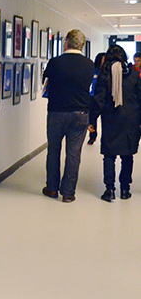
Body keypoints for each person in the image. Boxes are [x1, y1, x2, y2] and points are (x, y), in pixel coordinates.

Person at [42, 29, 94, 202]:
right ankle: (68, 193)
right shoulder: (89, 64)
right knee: (74, 154)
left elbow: (45, 80)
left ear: (66, 42)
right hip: (80, 114)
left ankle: (51, 188)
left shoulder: (55, 62)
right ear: (82, 45)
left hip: (57, 112)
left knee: (54, 150)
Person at [88, 46, 141, 201]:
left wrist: (92, 120)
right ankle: (125, 190)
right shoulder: (133, 74)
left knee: (109, 155)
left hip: (111, 119)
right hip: (131, 119)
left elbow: (98, 100)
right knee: (127, 155)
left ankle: (109, 190)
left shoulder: (105, 75)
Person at [87, 52, 105, 145]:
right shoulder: (93, 70)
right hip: (93, 96)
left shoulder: (106, 71)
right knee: (92, 119)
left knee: (105, 118)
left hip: (103, 98)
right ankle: (92, 136)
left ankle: (105, 138)